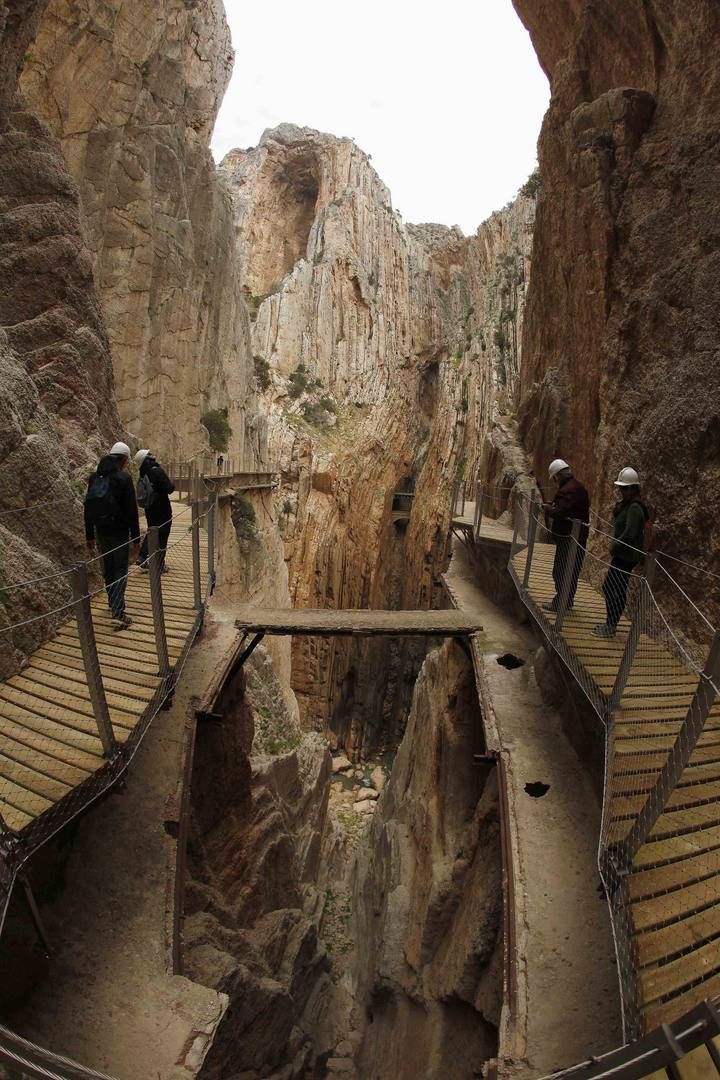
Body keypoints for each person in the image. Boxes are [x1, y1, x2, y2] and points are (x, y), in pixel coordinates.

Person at [84, 442, 140, 631]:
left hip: (101, 533)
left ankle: (112, 602)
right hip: (119, 533)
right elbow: (132, 511)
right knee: (120, 571)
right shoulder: (123, 479)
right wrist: (136, 539)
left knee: (107, 568)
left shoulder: (95, 477)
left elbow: (88, 507)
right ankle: (118, 613)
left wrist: (89, 535)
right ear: (124, 460)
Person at [593, 467, 649, 638]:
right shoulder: (629, 505)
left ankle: (611, 626)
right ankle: (610, 624)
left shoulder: (634, 508)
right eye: (621, 488)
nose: (622, 491)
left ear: (633, 488)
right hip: (623, 555)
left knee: (613, 588)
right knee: (613, 587)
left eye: (625, 488)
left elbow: (630, 533)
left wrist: (614, 546)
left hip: (625, 556)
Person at [541, 458, 590, 612]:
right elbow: (568, 508)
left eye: (555, 478)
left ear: (558, 476)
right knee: (571, 572)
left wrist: (548, 509)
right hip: (577, 538)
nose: (555, 481)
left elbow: (560, 512)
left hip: (569, 539)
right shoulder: (577, 487)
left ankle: (560, 602)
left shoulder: (567, 490)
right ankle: (566, 601)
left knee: (561, 571)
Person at [134, 449, 176, 573]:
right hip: (162, 509)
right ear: (147, 459)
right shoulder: (157, 471)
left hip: (150, 509)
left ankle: (142, 555)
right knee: (162, 535)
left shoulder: (143, 474)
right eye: (150, 455)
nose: (153, 456)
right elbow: (169, 488)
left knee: (152, 531)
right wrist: (172, 483)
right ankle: (159, 564)